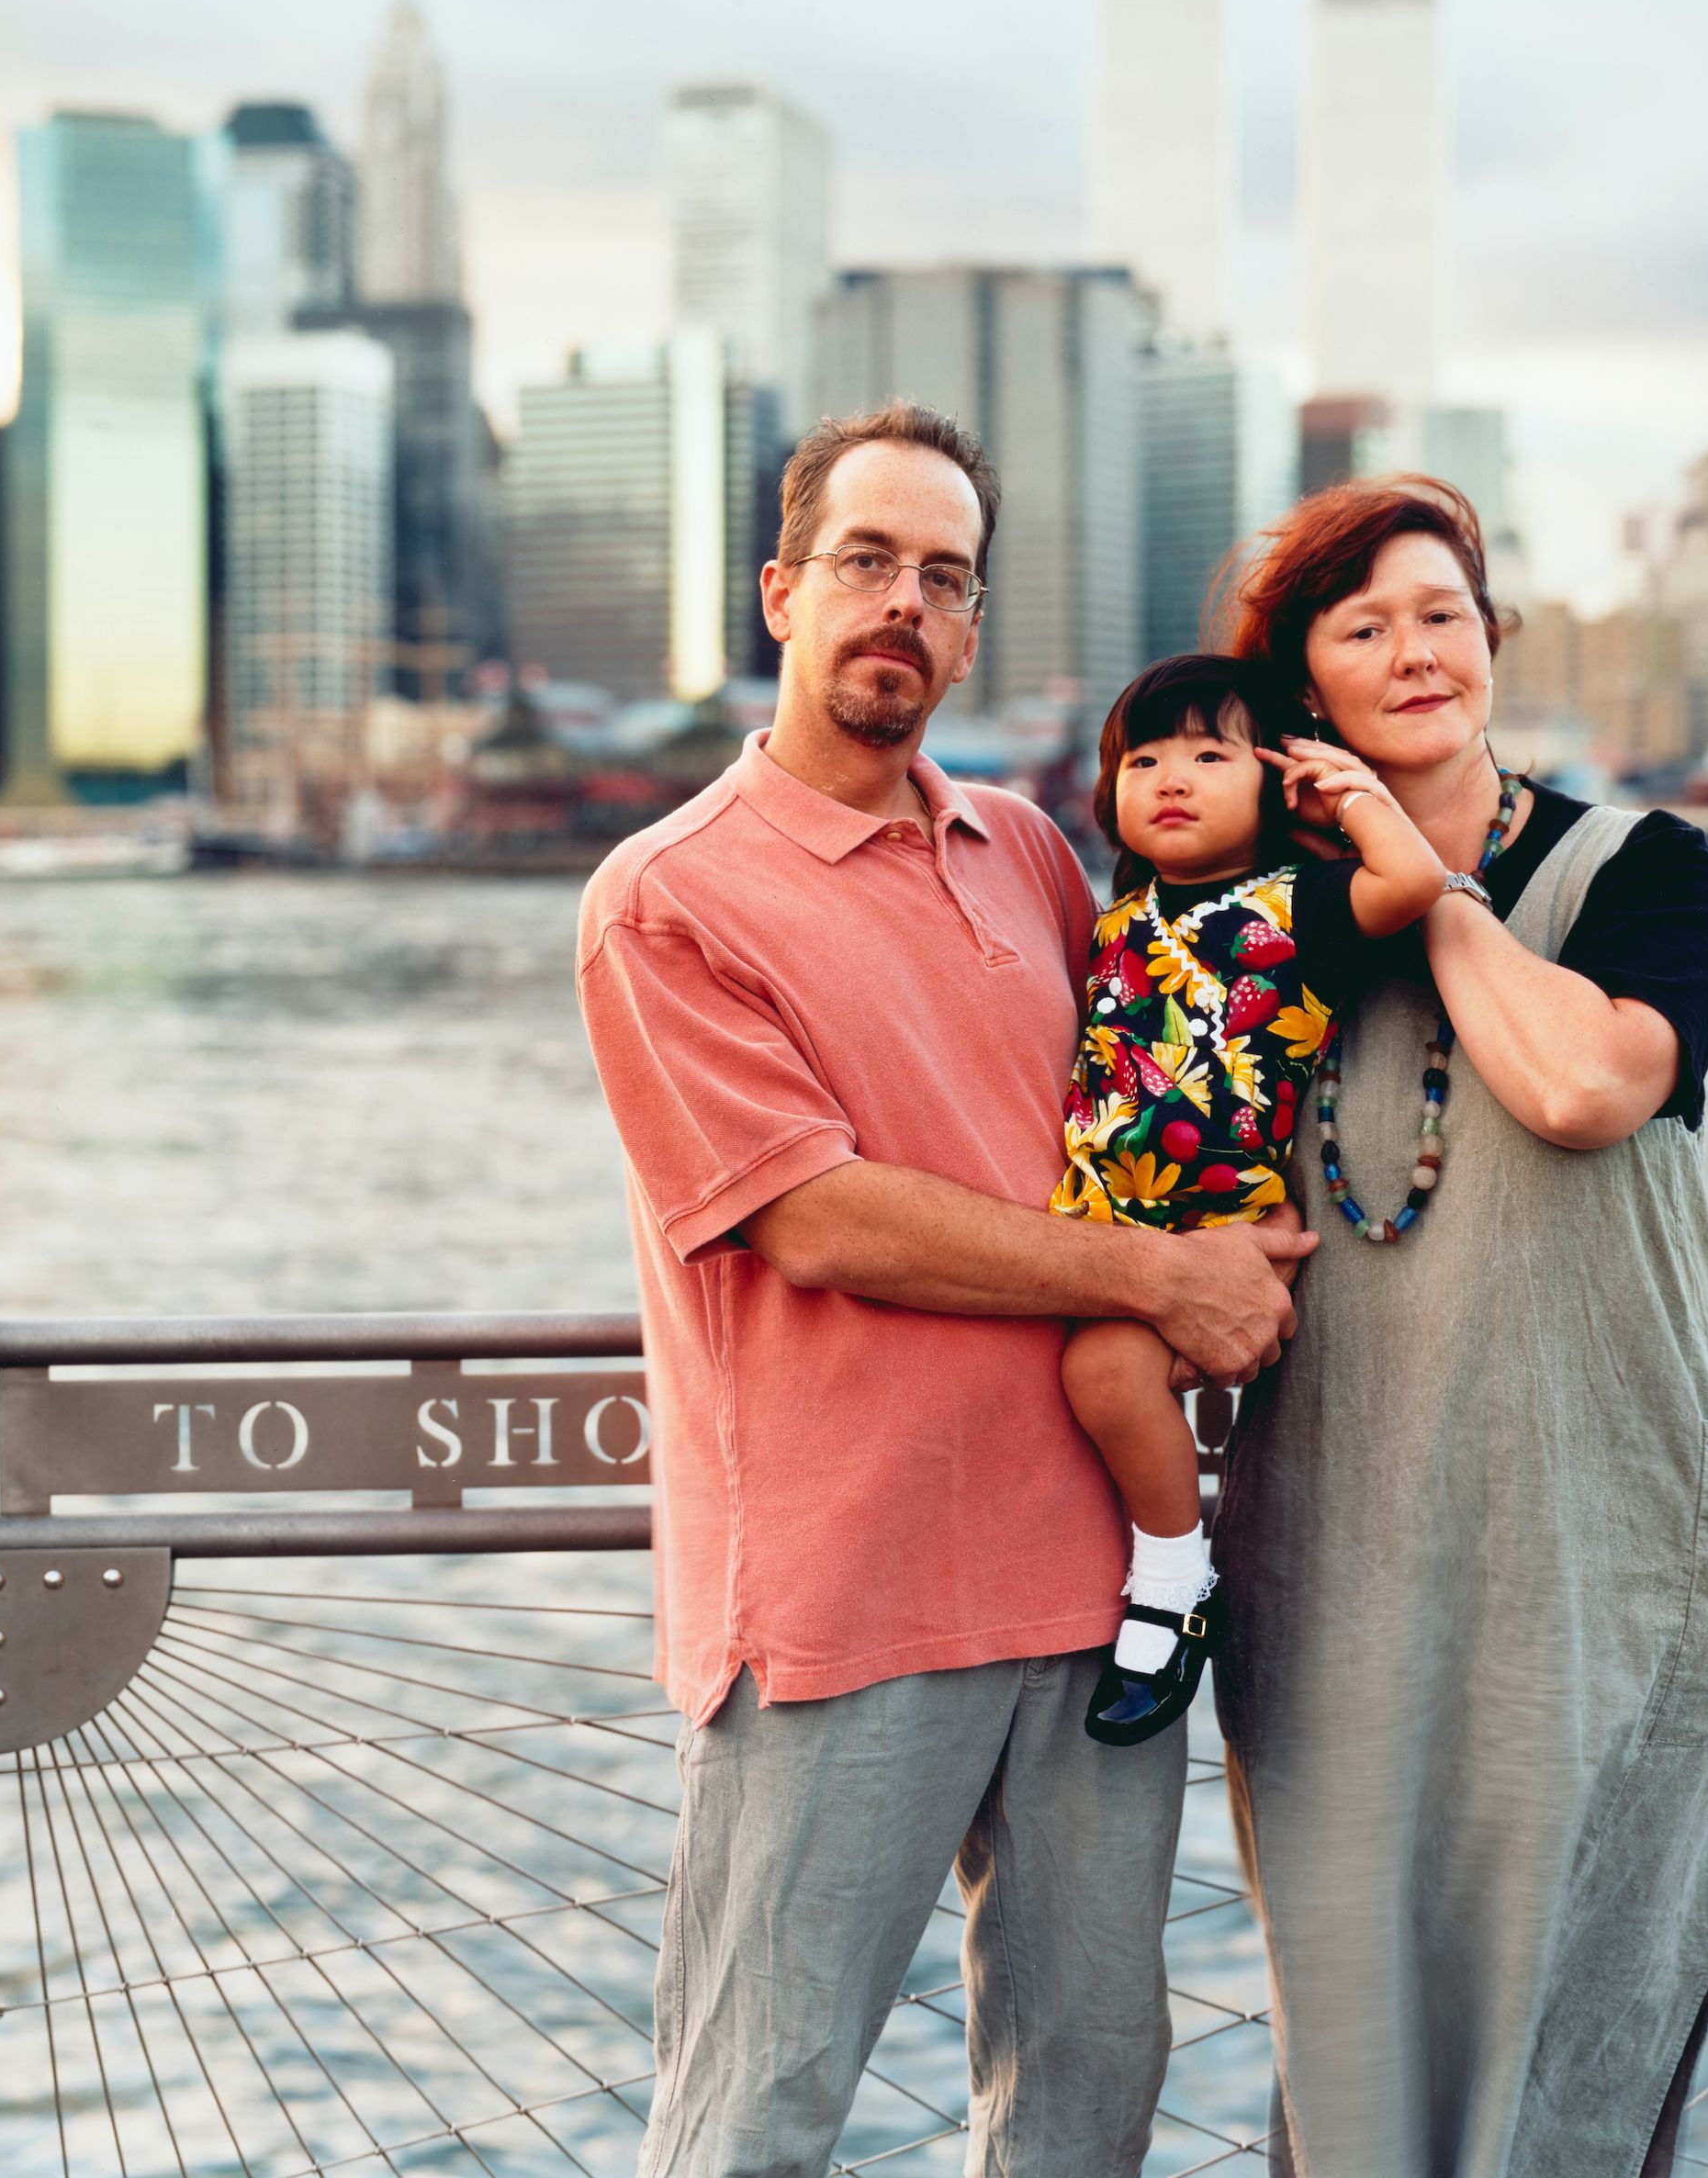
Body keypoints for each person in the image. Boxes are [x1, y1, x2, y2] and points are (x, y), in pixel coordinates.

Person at [575, 402, 1313, 2178]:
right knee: (752, 2115)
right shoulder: (665, 899)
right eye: (865, 561)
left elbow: (1161, 1087)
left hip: (1094, 1591)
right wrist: (1160, 1278)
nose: (902, 603)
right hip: (841, 1603)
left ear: (972, 625)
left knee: (1084, 2102)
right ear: (780, 593)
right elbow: (818, 1220)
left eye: (944, 575)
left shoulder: (1033, 853)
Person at [1211, 476, 1708, 2178]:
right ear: (1303, 687)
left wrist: (1429, 886)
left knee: (1575, 2069)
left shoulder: (1637, 870)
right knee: (1356, 2075)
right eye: (1363, 627)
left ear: (1493, 639)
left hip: (1609, 1560)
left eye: (1441, 615)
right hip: (1340, 1558)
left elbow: (1580, 1087)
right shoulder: (1250, 914)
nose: (1414, 653)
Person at [1050, 654, 1459, 1746]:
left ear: (1276, 782)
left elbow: (1413, 883)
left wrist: (1347, 793)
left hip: (1210, 1229)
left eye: (1208, 755)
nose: (1170, 779)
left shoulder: (1296, 905)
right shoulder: (1108, 923)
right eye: (1142, 761)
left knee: (1100, 1372)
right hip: (1094, 1226)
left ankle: (1172, 1580)